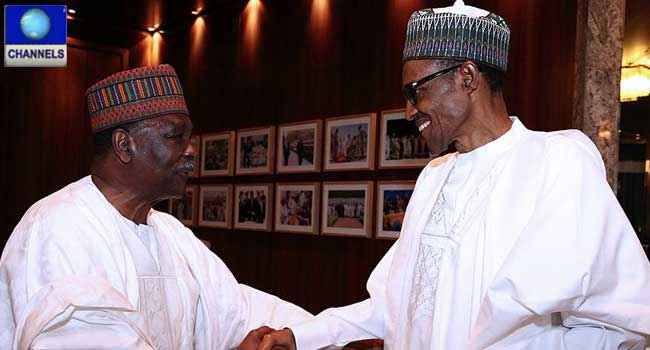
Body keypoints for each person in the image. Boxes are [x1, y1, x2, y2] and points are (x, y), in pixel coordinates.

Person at [259, 1, 650, 349]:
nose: (409, 111)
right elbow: (394, 304)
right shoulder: (434, 177)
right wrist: (303, 336)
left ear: (467, 76)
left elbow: (616, 321)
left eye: (416, 91)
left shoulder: (558, 160)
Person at [0, 64, 312, 349]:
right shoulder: (58, 227)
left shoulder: (170, 233)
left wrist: (322, 333)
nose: (191, 151)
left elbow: (237, 311)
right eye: (175, 136)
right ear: (125, 145)